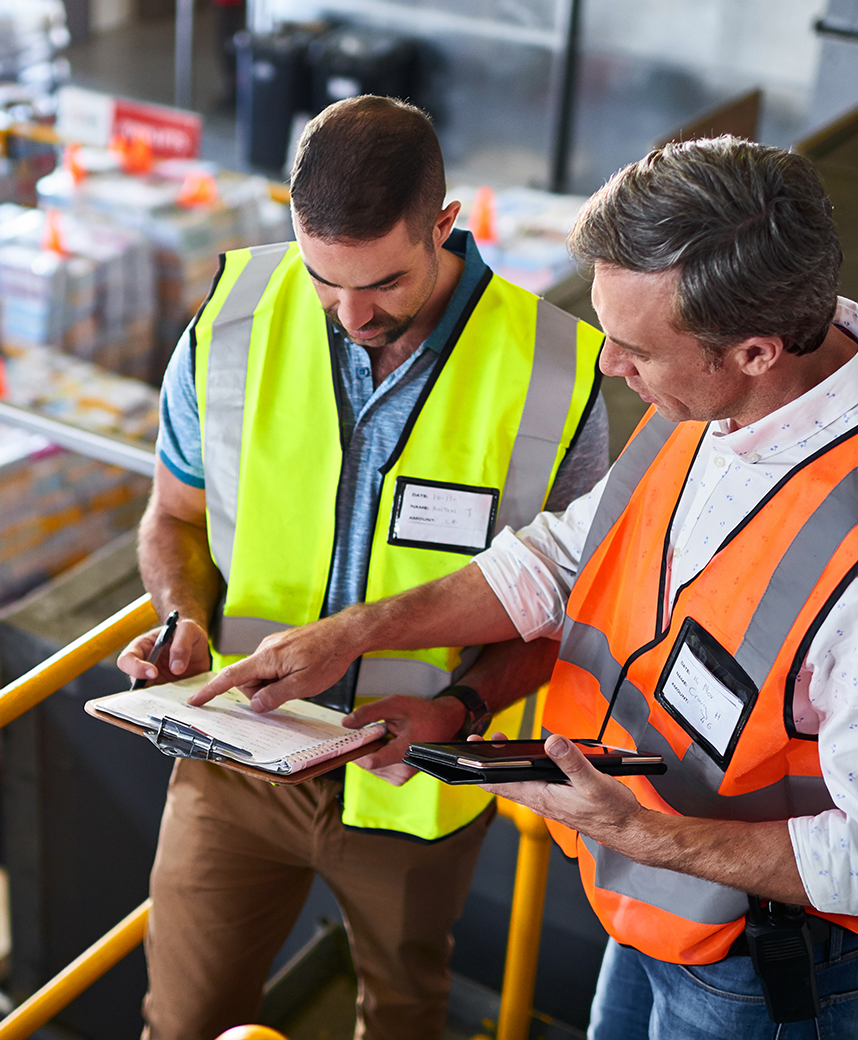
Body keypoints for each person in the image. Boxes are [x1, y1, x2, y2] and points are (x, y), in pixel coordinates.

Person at [197, 137, 858, 1039]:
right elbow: (556, 559)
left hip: (765, 974)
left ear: (751, 350)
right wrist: (354, 634)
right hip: (659, 911)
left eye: (635, 349)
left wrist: (636, 830)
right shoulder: (721, 403)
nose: (610, 366)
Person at [117, 95, 609, 1040]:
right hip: (236, 759)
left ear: (444, 225)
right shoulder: (231, 322)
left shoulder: (558, 371)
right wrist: (182, 617)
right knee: (180, 1025)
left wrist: (462, 712)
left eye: (382, 283)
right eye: (322, 279)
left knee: (404, 1020)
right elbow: (174, 515)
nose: (350, 314)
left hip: (414, 781)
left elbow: (571, 611)